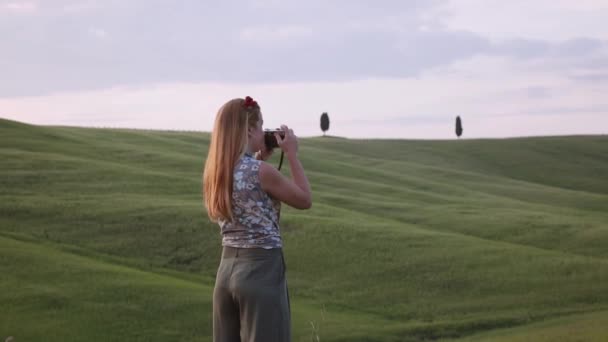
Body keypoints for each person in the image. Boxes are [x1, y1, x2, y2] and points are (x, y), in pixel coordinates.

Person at [203, 96, 312, 342]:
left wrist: (261, 158)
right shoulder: (260, 172)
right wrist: (292, 155)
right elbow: (304, 200)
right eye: (261, 126)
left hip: (226, 273)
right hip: (262, 271)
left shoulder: (216, 172)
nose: (264, 131)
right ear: (249, 129)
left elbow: (247, 193)